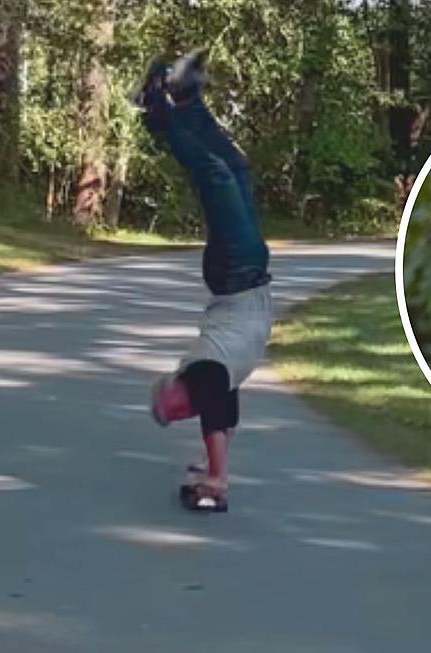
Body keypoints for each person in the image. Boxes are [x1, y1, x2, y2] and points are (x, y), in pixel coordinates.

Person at [131, 48, 273, 510]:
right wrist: (207, 471)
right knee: (235, 170)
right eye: (171, 414)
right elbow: (223, 419)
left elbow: (211, 408)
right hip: (248, 274)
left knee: (216, 177)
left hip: (235, 273)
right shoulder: (219, 385)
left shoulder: (202, 370)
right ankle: (187, 101)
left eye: (166, 406)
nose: (172, 410)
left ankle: (158, 113)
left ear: (174, 386)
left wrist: (216, 476)